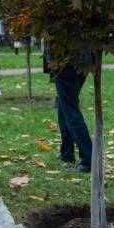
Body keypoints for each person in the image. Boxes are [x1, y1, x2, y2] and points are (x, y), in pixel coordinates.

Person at [44, 39, 93, 173]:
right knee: (63, 107)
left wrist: (52, 61)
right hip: (79, 60)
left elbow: (52, 33)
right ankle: (67, 153)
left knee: (70, 111)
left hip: (66, 63)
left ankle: (88, 159)